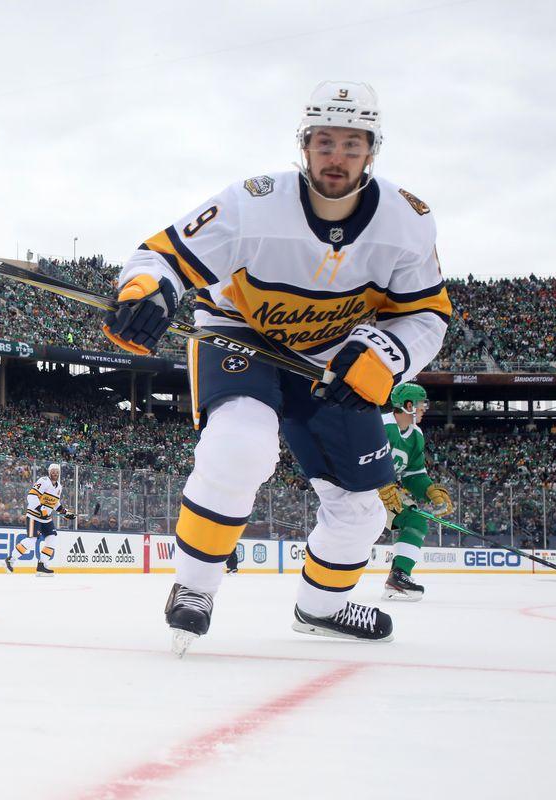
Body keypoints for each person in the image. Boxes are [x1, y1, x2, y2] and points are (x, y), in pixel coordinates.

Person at [101, 81, 450, 654]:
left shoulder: (409, 222)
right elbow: (160, 257)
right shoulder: (251, 201)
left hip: (333, 358)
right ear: (305, 144)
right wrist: (149, 291)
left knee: (362, 508)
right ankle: (193, 588)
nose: (337, 157)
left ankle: (324, 606)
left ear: (372, 151)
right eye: (325, 142)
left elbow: (427, 316)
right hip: (240, 331)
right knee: (240, 446)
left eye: (352, 145)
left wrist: (383, 357)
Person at [378, 382, 453, 601]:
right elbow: (358, 460)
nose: (424, 409)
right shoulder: (381, 425)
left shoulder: (416, 435)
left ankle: (399, 577)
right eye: (421, 404)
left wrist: (431, 492)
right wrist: (379, 484)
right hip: (358, 491)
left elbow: (413, 474)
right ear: (408, 405)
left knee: (417, 521)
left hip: (384, 494)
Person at [4, 462, 74, 576]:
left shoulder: (59, 487)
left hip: (46, 519)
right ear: (49, 472)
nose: (55, 473)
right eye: (53, 471)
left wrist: (66, 513)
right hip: (34, 516)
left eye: (57, 471)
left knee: (52, 540)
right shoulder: (44, 481)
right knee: (32, 541)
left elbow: (55, 504)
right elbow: (31, 496)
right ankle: (11, 559)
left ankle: (42, 565)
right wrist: (41, 509)